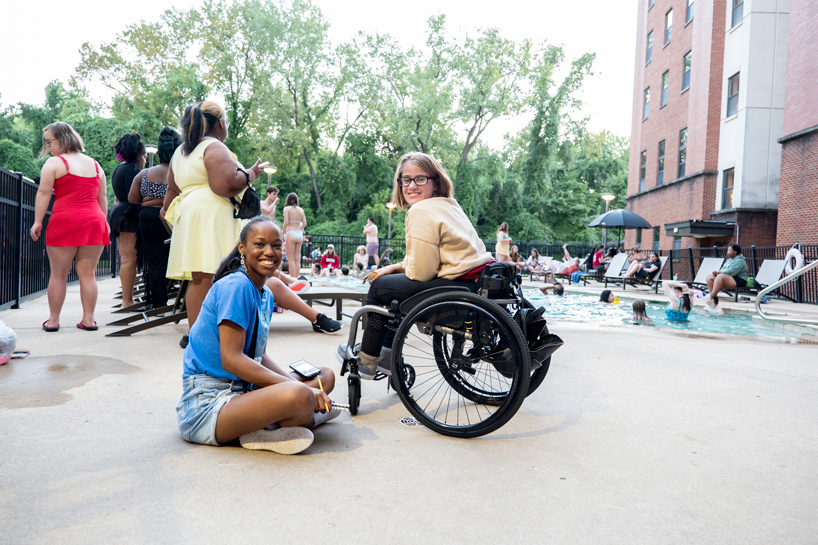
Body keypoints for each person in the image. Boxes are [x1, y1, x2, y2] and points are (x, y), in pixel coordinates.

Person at [176, 216, 339, 455]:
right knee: (300, 395)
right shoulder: (237, 286)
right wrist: (299, 390)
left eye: (276, 245)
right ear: (242, 247)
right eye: (260, 244)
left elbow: (258, 355)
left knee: (325, 375)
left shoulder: (265, 293)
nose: (269, 252)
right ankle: (289, 421)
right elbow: (231, 360)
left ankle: (281, 419)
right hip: (210, 404)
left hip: (245, 390)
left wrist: (296, 384)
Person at [335, 152, 493, 379]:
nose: (411, 186)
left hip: (455, 283)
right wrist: (395, 267)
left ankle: (367, 359)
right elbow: (432, 257)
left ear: (435, 181)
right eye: (405, 179)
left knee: (379, 288)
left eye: (420, 179)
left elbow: (422, 271)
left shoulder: (419, 210)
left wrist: (391, 274)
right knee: (391, 285)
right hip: (473, 280)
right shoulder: (448, 204)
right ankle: (388, 354)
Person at [162, 101, 269, 348]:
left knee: (199, 278)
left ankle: (197, 334)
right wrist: (252, 172)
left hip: (190, 215)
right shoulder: (214, 146)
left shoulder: (181, 152)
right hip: (210, 216)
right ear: (220, 123)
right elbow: (226, 184)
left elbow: (171, 192)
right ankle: (217, 337)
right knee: (219, 274)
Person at [30, 122, 110, 332]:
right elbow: (102, 198)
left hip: (65, 220)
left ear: (62, 139)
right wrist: (105, 223)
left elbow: (44, 193)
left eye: (49, 142)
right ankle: (89, 320)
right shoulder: (96, 165)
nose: (47, 147)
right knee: (88, 274)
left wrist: (38, 221)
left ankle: (54, 321)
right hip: (94, 221)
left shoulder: (55, 163)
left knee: (58, 274)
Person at [128, 127, 180, 310]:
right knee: (176, 259)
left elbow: (132, 199)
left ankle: (158, 302)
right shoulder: (180, 174)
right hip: (173, 218)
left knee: (154, 262)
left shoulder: (144, 175)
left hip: (149, 218)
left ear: (158, 151)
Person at [109, 133, 145, 309]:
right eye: (144, 156)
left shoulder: (118, 169)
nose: (145, 160)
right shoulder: (133, 171)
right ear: (138, 155)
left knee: (125, 259)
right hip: (129, 217)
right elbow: (135, 198)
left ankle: (127, 298)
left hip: (120, 214)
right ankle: (127, 301)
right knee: (129, 260)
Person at [282, 193, 306, 276]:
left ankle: (292, 279)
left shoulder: (286, 209)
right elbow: (304, 223)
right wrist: (299, 229)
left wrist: (282, 233)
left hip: (291, 232)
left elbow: (286, 222)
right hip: (299, 234)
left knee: (290, 259)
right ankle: (297, 278)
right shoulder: (301, 210)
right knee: (297, 259)